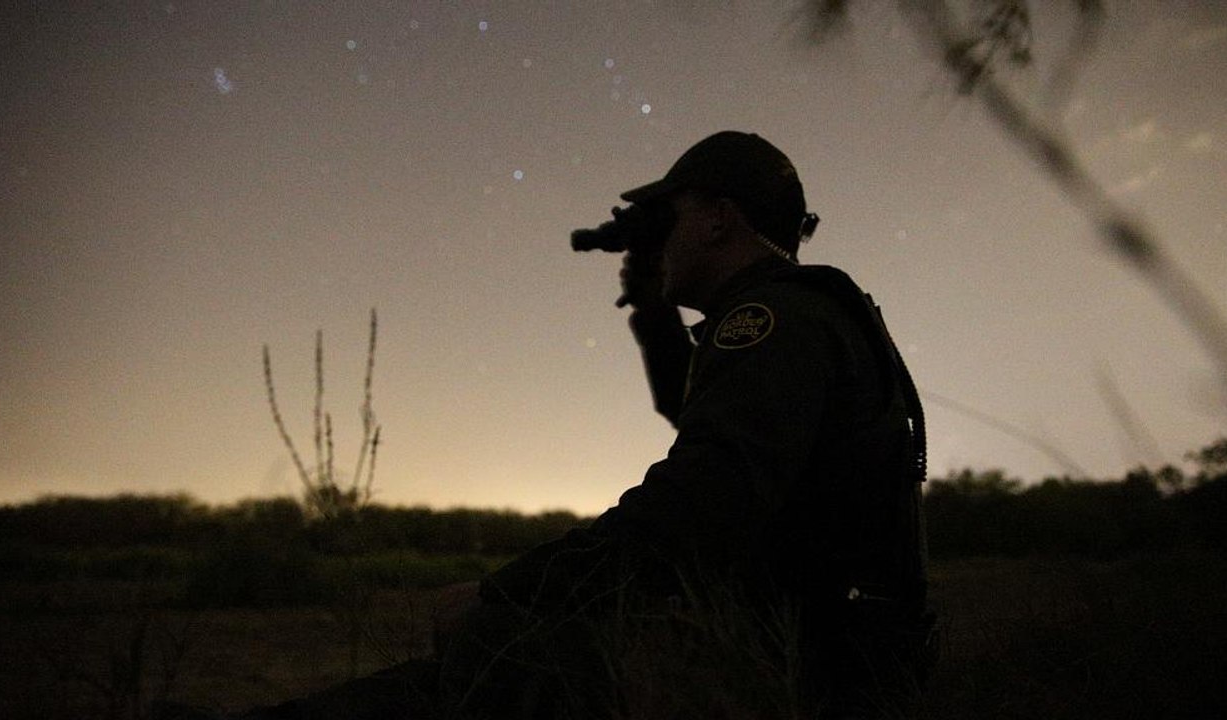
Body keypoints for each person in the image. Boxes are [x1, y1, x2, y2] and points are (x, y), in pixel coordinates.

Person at [162, 131, 934, 720]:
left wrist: (513, 590)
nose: (653, 236)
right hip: (833, 643)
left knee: (501, 653)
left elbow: (692, 512)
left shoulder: (770, 324)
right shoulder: (799, 318)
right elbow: (703, 423)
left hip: (819, 665)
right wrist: (651, 308)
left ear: (718, 222)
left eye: (670, 218)